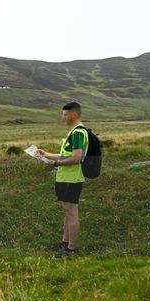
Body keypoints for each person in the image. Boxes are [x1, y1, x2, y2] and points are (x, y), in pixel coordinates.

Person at [37, 102, 88, 257]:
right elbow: (66, 155)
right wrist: (46, 154)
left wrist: (56, 163)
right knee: (67, 212)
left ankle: (71, 249)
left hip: (71, 179)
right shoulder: (74, 132)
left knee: (71, 213)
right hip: (66, 178)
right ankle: (65, 243)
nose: (63, 118)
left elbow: (76, 158)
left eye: (65, 115)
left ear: (74, 114)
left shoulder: (77, 133)